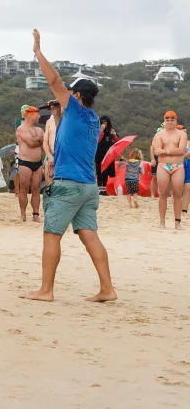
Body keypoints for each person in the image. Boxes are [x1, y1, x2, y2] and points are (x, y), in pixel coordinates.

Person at [22, 29, 116, 303]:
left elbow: (53, 80)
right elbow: (68, 139)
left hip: (68, 185)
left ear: (75, 95)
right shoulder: (92, 118)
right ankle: (107, 289)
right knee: (90, 237)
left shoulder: (74, 108)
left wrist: (38, 51)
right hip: (87, 186)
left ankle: (46, 290)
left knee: (51, 235)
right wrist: (57, 115)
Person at [151, 111, 186, 229]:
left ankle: (177, 222)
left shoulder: (182, 134)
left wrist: (165, 151)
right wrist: (167, 152)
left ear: (176, 120)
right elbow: (157, 151)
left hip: (177, 165)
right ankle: (162, 221)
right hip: (163, 165)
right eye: (167, 119)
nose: (170, 122)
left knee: (177, 193)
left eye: (172, 119)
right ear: (164, 120)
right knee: (162, 193)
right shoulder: (159, 135)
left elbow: (181, 151)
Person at [95, 115, 119, 192]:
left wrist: (114, 135)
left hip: (108, 155)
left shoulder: (111, 131)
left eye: (105, 121)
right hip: (99, 155)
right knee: (99, 172)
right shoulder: (97, 130)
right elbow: (96, 140)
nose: (104, 123)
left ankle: (104, 190)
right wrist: (101, 130)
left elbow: (117, 143)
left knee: (106, 173)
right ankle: (99, 189)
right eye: (102, 121)